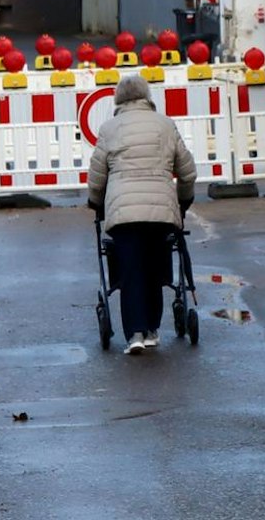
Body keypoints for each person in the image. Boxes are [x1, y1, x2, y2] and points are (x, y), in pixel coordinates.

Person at [87, 74, 196, 355]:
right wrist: (184, 200)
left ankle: (134, 333)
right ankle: (152, 330)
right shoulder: (165, 125)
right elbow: (187, 172)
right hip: (161, 211)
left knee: (131, 269)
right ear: (147, 97)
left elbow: (97, 178)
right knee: (156, 267)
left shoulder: (109, 129)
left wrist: (95, 203)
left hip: (124, 214)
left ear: (118, 100)